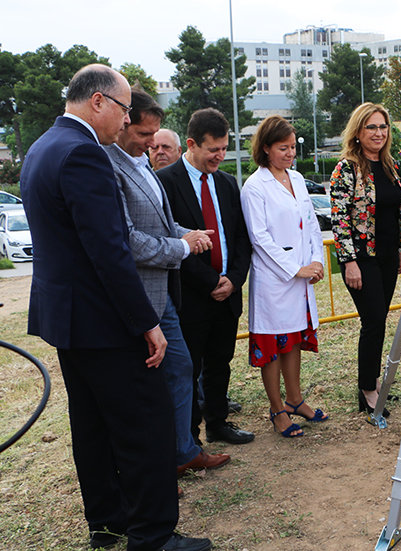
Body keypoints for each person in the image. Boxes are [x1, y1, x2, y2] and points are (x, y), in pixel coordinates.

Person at [20, 64, 210, 551]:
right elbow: (109, 250)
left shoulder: (42, 147)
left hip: (69, 321)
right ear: (100, 101)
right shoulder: (84, 154)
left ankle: (107, 520)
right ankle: (152, 535)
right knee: (146, 426)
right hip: (106, 322)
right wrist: (146, 322)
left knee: (93, 426)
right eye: (125, 110)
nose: (125, 123)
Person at [105, 88, 234, 477]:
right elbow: (128, 239)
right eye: (146, 136)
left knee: (181, 368)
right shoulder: (108, 164)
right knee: (152, 382)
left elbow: (162, 224)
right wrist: (183, 245)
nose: (152, 144)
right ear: (124, 122)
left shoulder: (140, 163)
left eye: (156, 136)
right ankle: (155, 466)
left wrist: (187, 235)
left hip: (164, 297)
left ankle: (182, 451)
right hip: (142, 296)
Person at [158, 108, 254, 445]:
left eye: (224, 148)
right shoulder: (166, 183)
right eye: (213, 149)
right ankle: (188, 437)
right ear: (192, 144)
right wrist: (211, 282)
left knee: (220, 363)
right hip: (191, 296)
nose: (220, 156)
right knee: (189, 369)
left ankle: (218, 423)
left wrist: (233, 280)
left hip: (228, 294)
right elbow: (170, 242)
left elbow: (241, 238)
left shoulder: (227, 184)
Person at [241, 115, 329, 437]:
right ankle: (278, 410)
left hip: (302, 279)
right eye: (283, 148)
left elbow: (311, 224)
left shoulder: (297, 179)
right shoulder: (255, 186)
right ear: (265, 149)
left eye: (292, 147)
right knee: (273, 344)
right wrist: (295, 268)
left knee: (293, 340)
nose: (290, 153)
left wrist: (316, 261)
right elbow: (260, 238)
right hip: (275, 281)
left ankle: (295, 400)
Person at [330, 103, 401, 418]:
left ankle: (372, 380)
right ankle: (368, 389)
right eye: (371, 127)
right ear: (358, 132)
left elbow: (396, 212)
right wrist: (349, 262)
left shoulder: (389, 164)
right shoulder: (346, 168)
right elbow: (339, 219)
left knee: (378, 321)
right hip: (362, 259)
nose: (378, 133)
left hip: (389, 257)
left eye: (382, 127)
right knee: (373, 321)